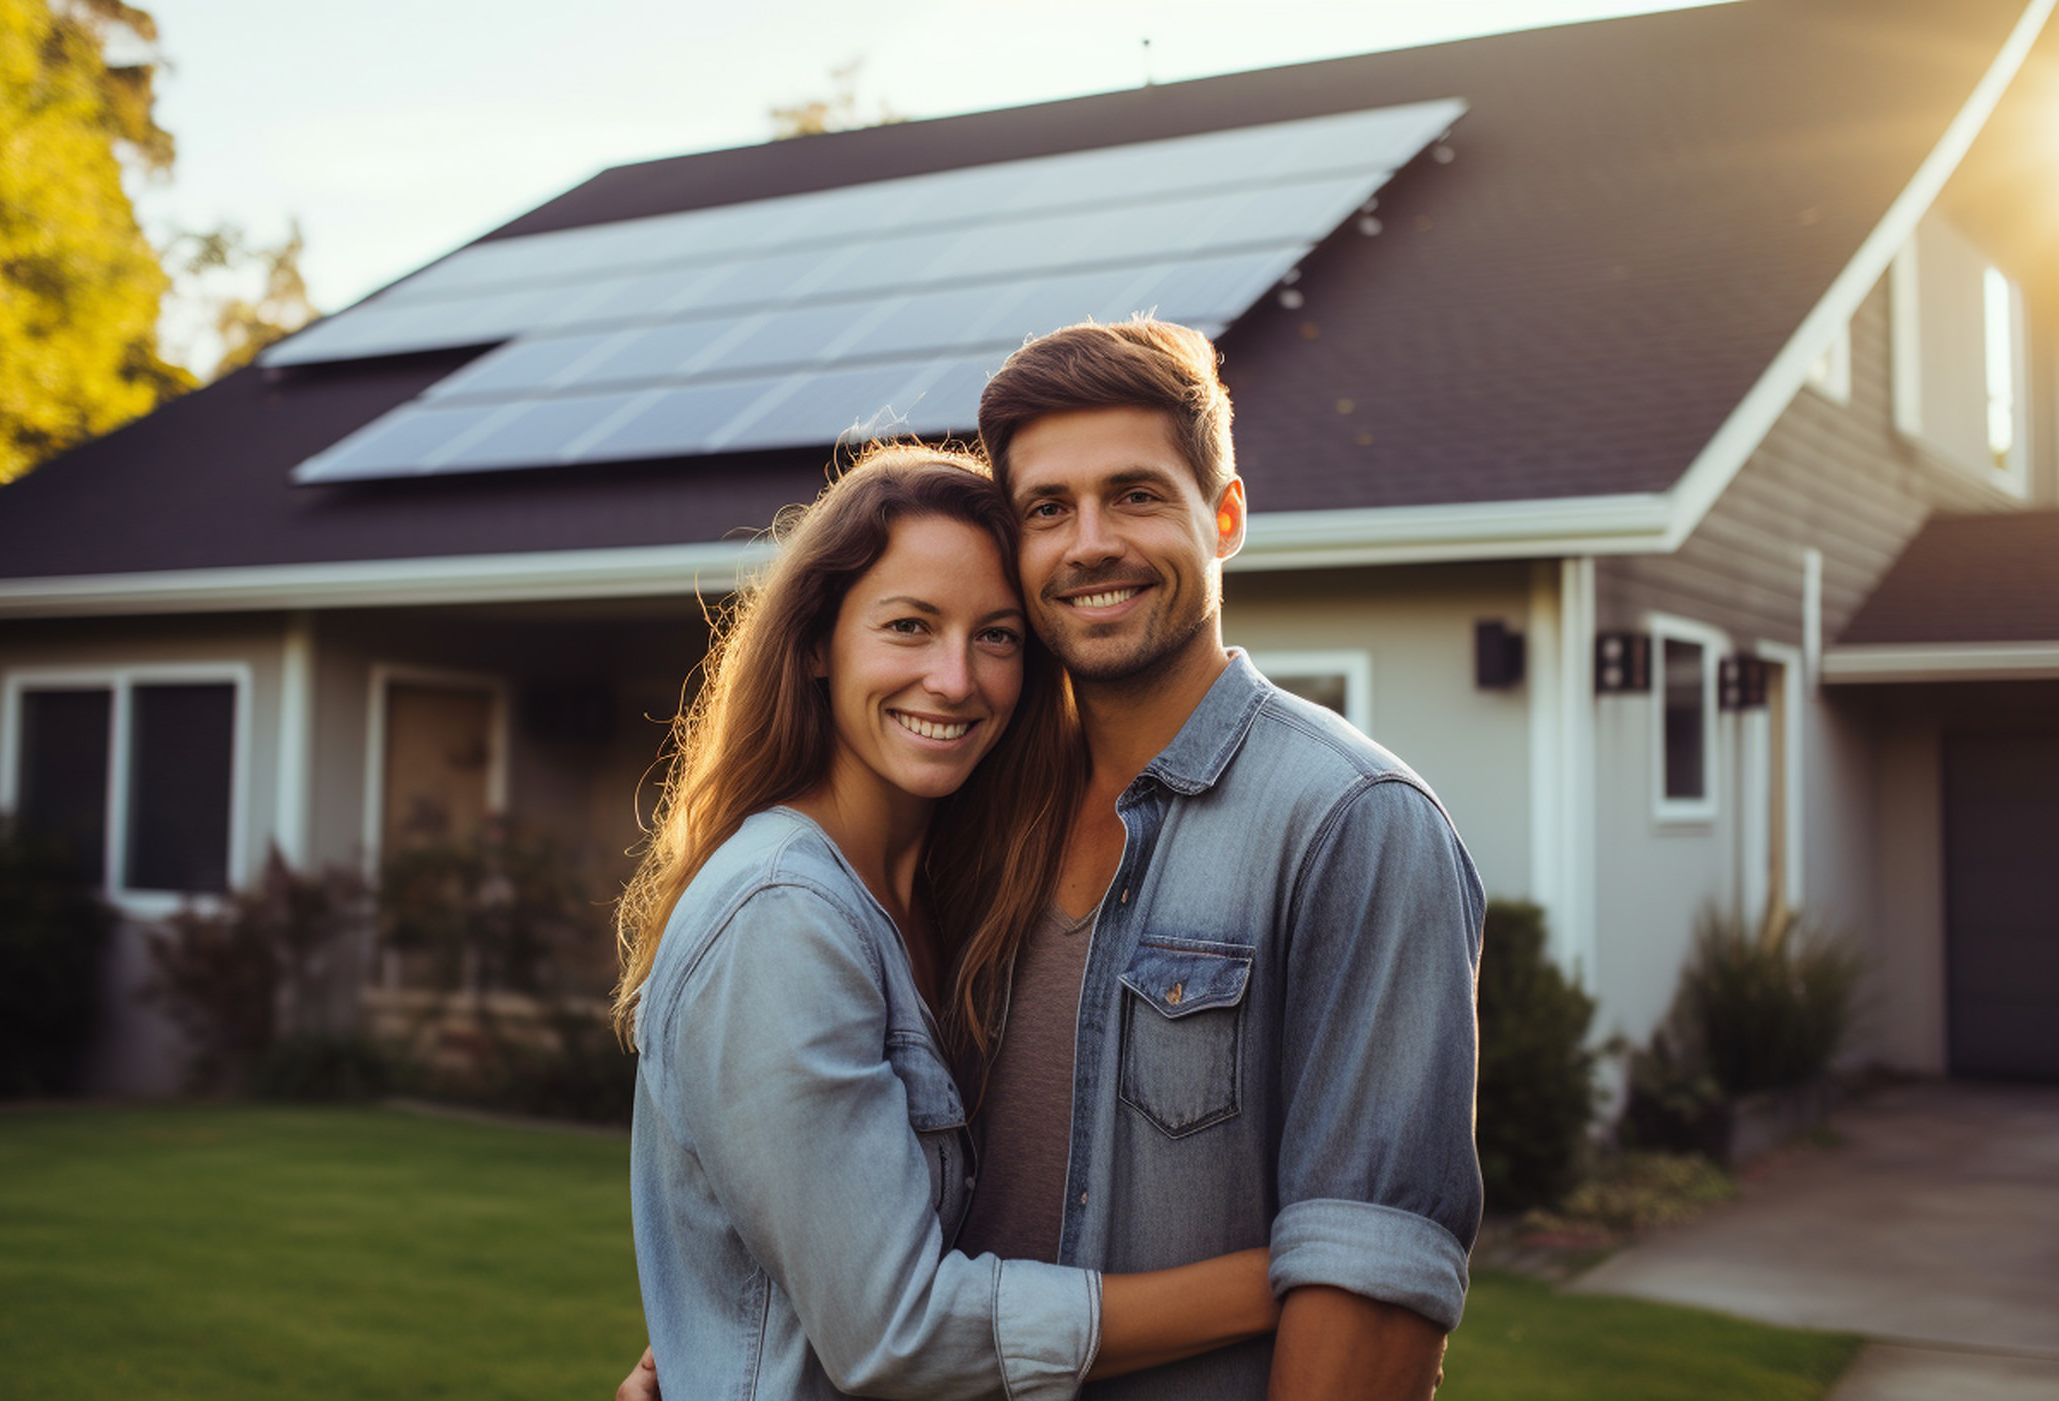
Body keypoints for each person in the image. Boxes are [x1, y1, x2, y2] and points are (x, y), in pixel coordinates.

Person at [613, 443, 1281, 1400]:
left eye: (997, 636)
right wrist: (1275, 1280)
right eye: (909, 626)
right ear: (816, 644)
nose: (956, 679)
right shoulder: (782, 914)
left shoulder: (940, 899)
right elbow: (895, 1333)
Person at [963, 317, 1487, 1399]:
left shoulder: (1354, 821)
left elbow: (1371, 1292)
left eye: (1135, 495)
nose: (1089, 543)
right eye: (1047, 509)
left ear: (1227, 516)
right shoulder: (979, 816)